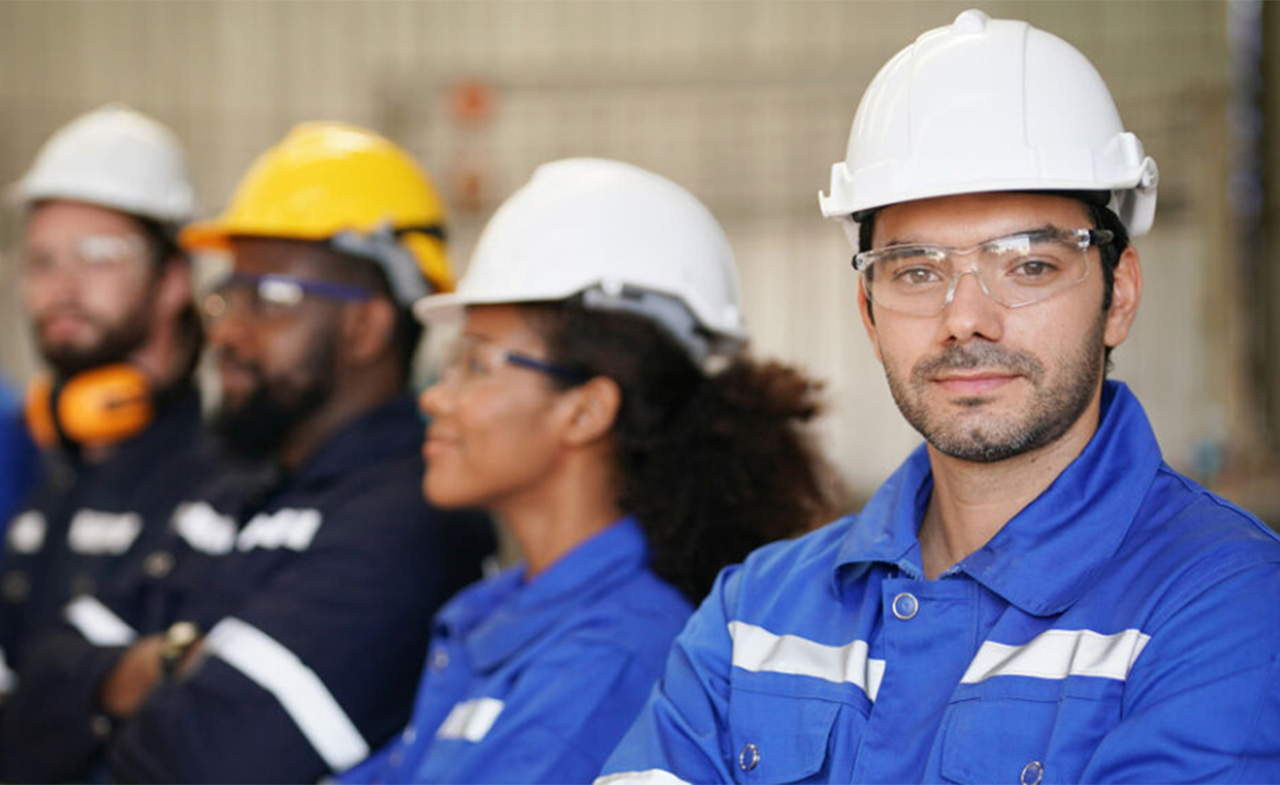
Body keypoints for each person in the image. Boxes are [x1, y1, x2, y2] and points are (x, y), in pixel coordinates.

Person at [600, 10, 1280, 784]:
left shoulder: (1227, 606)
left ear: (1117, 293)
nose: (965, 319)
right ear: (868, 310)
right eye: (917, 270)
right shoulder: (754, 612)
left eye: (1028, 265)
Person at [0, 122, 496, 783]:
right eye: (229, 294)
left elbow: (206, 762)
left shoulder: (411, 516)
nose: (227, 330)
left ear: (366, 325)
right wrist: (166, 666)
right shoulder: (235, 488)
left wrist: (117, 684)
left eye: (269, 298)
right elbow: (41, 677)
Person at [337, 157, 840, 785]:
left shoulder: (615, 657)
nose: (435, 398)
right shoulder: (496, 612)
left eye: (475, 365)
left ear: (586, 411)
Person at [0, 105, 219, 693]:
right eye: (42, 261)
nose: (61, 288)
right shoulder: (53, 468)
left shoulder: (219, 482)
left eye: (98, 255)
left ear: (175, 278)